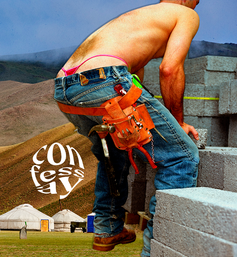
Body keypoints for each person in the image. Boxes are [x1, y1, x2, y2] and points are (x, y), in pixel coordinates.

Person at [53, 1, 200, 256]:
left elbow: (136, 79)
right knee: (181, 157)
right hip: (104, 79)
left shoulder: (141, 17)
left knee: (114, 151)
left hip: (64, 87)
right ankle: (158, 249)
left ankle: (107, 229)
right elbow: (170, 69)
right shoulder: (185, 14)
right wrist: (178, 124)